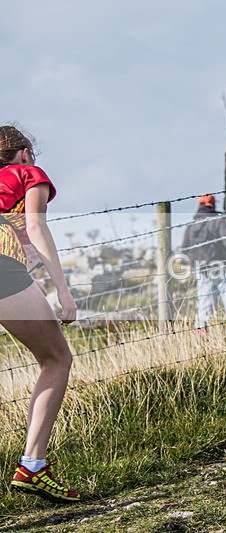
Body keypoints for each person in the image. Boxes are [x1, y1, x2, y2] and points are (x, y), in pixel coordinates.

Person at [0, 125, 81, 502]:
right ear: (25, 152)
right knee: (56, 358)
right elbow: (35, 225)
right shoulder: (28, 174)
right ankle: (33, 465)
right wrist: (63, 290)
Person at [181, 194, 226, 331]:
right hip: (223, 267)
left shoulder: (191, 226)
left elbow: (184, 249)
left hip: (203, 270)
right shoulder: (218, 221)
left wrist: (196, 262)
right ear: (213, 205)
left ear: (199, 206)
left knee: (204, 304)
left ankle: (201, 336)